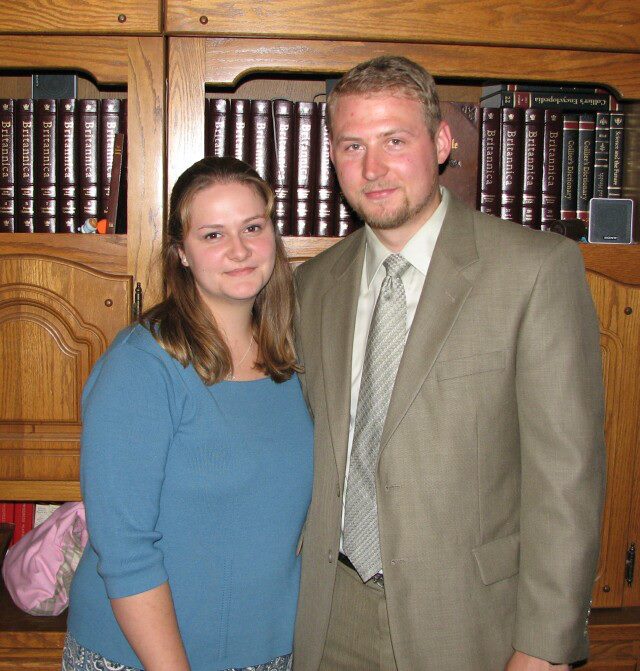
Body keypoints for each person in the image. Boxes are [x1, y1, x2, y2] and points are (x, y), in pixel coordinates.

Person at [293, 56, 605, 671]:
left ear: (440, 143)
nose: (373, 168)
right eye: (353, 145)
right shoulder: (312, 285)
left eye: (394, 140)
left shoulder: (533, 270)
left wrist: (544, 648)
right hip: (329, 616)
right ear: (332, 156)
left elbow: (568, 478)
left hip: (473, 624)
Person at [63, 156, 313, 671]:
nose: (239, 250)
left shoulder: (295, 361)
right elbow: (125, 550)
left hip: (267, 650)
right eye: (213, 235)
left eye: (252, 227)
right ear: (181, 252)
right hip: (142, 659)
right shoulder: (142, 366)